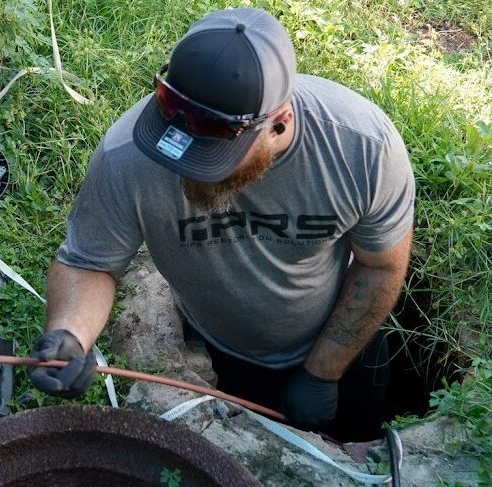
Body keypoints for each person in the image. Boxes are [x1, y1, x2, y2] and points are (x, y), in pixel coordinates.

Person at [27, 7, 414, 442]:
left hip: (344, 348)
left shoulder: (361, 148)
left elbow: (380, 264)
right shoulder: (128, 155)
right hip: (225, 353)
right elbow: (88, 262)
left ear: (278, 122)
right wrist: (69, 334)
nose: (186, 166)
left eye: (213, 158)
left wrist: (324, 371)